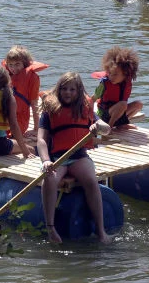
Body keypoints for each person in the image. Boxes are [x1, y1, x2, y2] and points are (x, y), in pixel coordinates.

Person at [37, 72, 112, 244]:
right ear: (59, 90)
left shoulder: (85, 107)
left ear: (78, 91)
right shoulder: (50, 109)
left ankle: (101, 232)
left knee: (91, 181)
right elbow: (41, 140)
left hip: (79, 156)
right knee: (49, 179)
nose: (68, 93)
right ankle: (51, 228)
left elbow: (106, 129)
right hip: (57, 158)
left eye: (72, 89)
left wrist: (99, 125)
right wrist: (46, 161)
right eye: (64, 89)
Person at [0, 45, 48, 138]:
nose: (13, 68)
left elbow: (34, 104)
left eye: (17, 64)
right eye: (10, 65)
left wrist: (36, 128)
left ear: (25, 63)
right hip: (1, 115)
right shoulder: (5, 74)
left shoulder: (32, 78)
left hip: (19, 119)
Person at [93, 46, 142, 129]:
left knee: (138, 105)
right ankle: (109, 127)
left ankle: (121, 123)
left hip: (117, 111)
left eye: (115, 74)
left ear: (125, 74)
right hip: (104, 114)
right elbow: (93, 98)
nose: (111, 77)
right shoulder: (104, 83)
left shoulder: (126, 83)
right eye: (110, 73)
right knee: (122, 104)